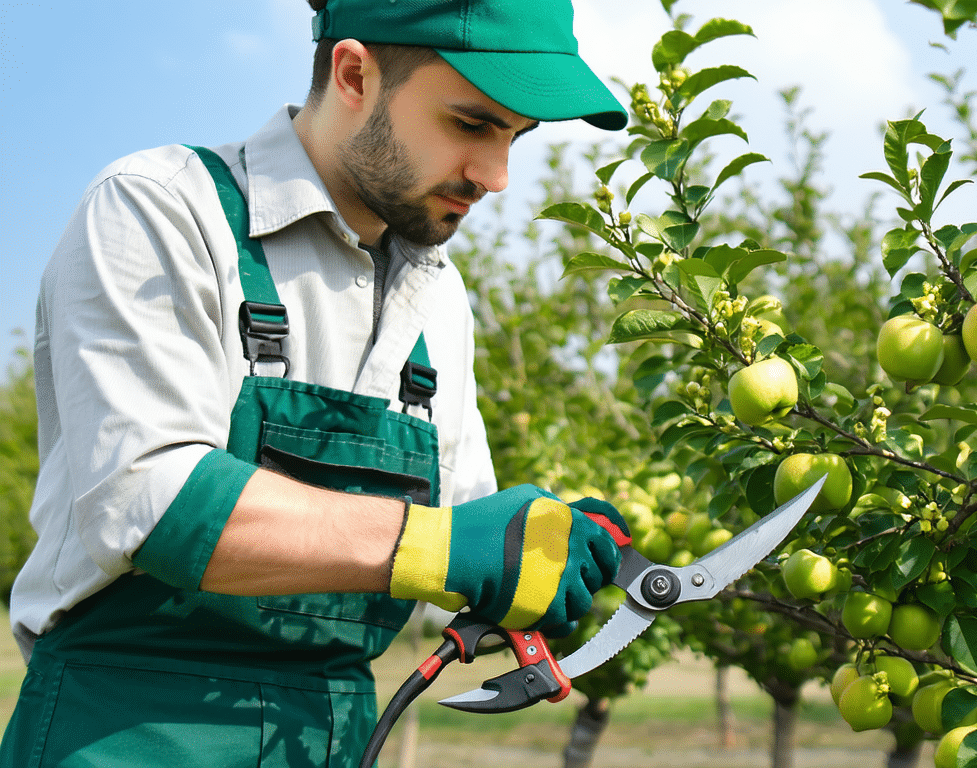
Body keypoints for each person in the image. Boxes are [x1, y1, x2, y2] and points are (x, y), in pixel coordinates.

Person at [0, 0, 633, 765]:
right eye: (471, 124)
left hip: (333, 738)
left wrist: (540, 555)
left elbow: (456, 541)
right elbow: (149, 501)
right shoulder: (162, 208)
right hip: (130, 732)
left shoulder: (439, 295)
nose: (496, 177)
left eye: (516, 137)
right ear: (354, 74)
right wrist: (442, 545)